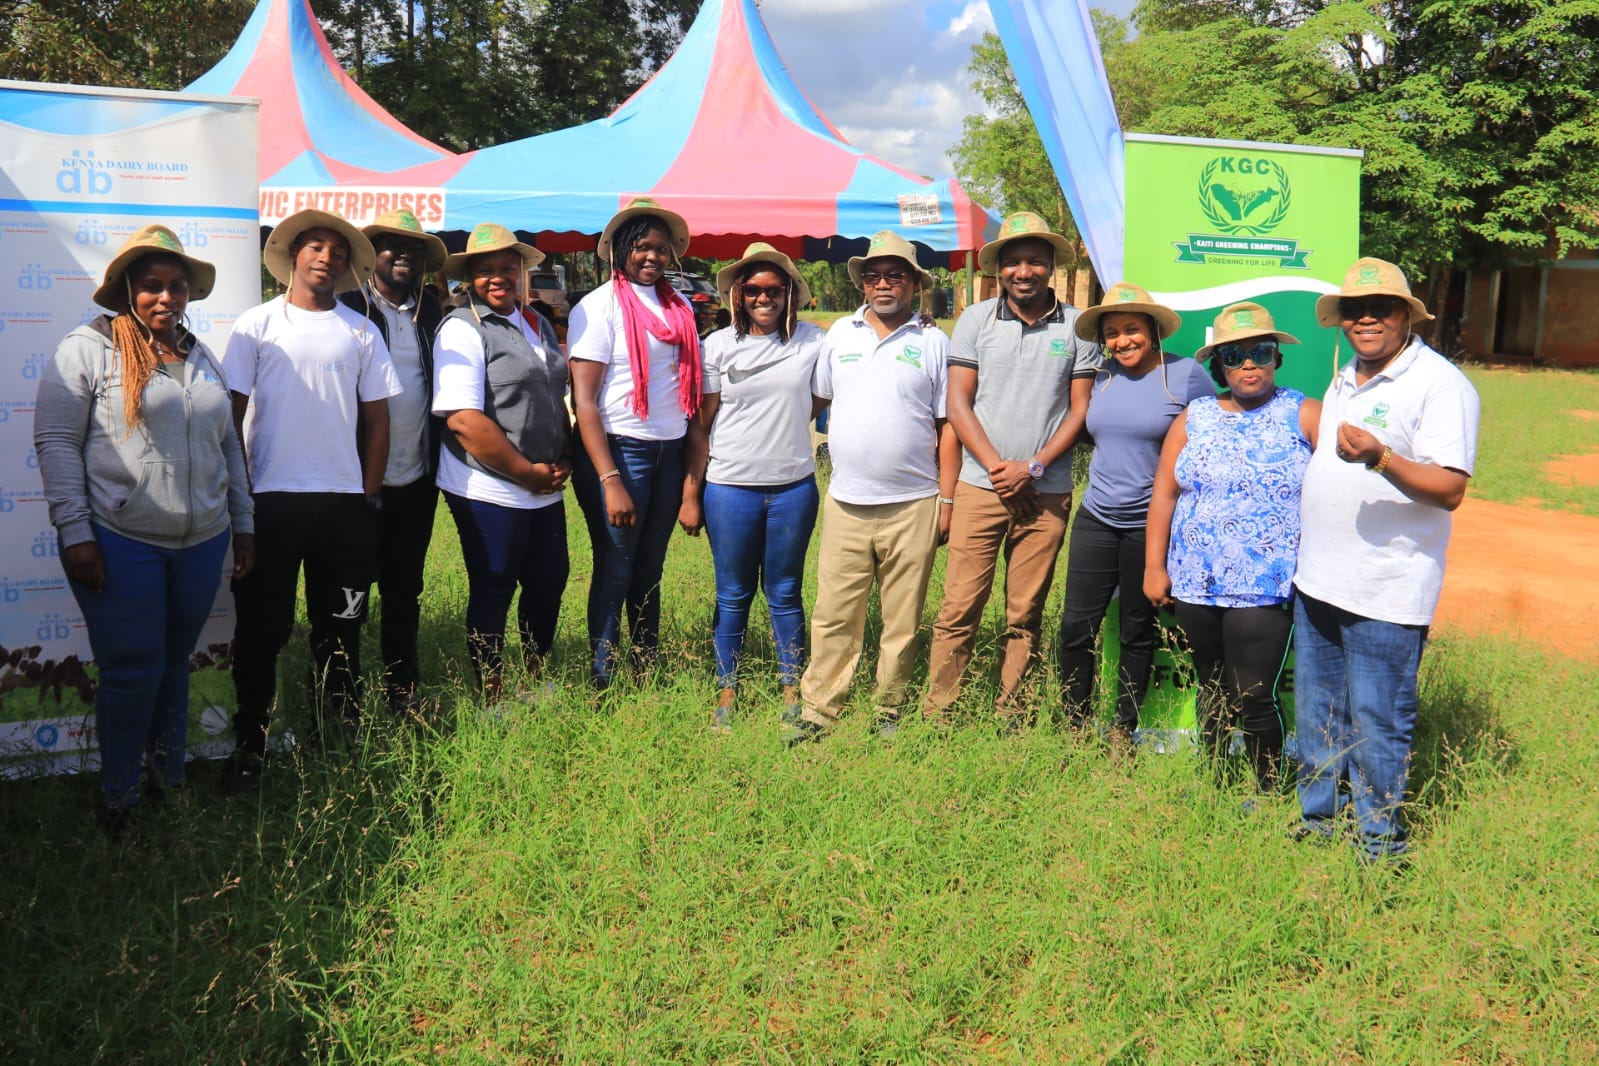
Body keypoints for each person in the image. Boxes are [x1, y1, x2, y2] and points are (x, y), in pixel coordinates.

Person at [34, 225, 253, 836]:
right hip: (119, 539)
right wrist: (75, 532)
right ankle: (121, 799)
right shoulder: (88, 348)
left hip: (202, 538)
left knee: (174, 664)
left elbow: (228, 444)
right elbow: (55, 442)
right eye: (152, 286)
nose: (166, 298)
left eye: (176, 287)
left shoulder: (199, 353)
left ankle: (170, 782)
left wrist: (243, 523)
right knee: (132, 667)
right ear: (127, 289)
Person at [1291, 257, 1480, 861]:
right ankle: (1320, 823)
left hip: (1386, 588)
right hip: (1320, 579)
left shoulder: (1440, 384)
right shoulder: (1346, 374)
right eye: (1354, 310)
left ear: (1406, 316)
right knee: (1318, 712)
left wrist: (1381, 459)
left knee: (1377, 722)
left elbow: (1450, 489)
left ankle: (1380, 845)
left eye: (1382, 309)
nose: (1366, 318)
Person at [220, 209, 400, 791]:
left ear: (348, 265)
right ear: (293, 256)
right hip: (270, 504)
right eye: (315, 247)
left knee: (341, 630)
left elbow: (378, 423)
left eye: (338, 250)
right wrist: (238, 495)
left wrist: (367, 496)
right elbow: (231, 415)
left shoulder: (361, 331)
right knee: (262, 632)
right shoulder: (256, 325)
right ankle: (251, 745)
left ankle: (339, 734)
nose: (327, 256)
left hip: (344, 508)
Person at [923, 211, 1100, 725]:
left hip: (1046, 492)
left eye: (1036, 262)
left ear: (1053, 269)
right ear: (999, 268)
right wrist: (1001, 468)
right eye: (1014, 262)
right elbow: (958, 404)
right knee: (959, 608)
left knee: (1024, 612)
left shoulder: (1077, 327)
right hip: (981, 486)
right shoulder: (976, 320)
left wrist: (1036, 467)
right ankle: (940, 713)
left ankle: (1013, 712)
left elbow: (1080, 410)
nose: (1025, 271)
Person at [1144, 302, 1320, 789]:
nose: (1249, 364)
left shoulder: (1304, 414)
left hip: (1266, 585)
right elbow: (1164, 493)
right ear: (1218, 363)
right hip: (1195, 582)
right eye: (1235, 354)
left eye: (1261, 352)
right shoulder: (1193, 418)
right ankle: (1216, 781)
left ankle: (1267, 790)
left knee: (1255, 692)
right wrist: (1153, 567)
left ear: (1277, 359)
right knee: (1212, 686)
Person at [793, 231, 954, 742]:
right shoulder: (838, 334)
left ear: (915, 284)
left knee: (902, 618)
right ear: (862, 282)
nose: (883, 284)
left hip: (915, 502)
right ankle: (820, 706)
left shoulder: (933, 340)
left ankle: (889, 706)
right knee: (834, 612)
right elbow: (815, 403)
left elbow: (948, 426)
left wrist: (946, 500)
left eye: (895, 275)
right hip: (846, 499)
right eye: (873, 275)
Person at [1055, 283, 1213, 751]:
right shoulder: (1101, 375)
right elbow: (1091, 432)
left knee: (1136, 629)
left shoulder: (1185, 376)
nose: (1122, 341)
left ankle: (1123, 729)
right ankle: (1074, 726)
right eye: (1113, 333)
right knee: (1075, 627)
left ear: (1152, 331)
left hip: (1151, 524)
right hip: (1097, 516)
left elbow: (1206, 444)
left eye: (1131, 330)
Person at [678, 243, 827, 729]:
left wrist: (925, 323)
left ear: (790, 294)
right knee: (732, 594)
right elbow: (701, 424)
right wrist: (690, 493)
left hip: (792, 488)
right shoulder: (718, 345)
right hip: (730, 488)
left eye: (774, 290)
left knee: (785, 591)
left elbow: (820, 397)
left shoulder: (813, 341)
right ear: (737, 296)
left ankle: (791, 687)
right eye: (752, 290)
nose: (764, 298)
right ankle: (727, 690)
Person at [432, 222, 570, 703]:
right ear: (469, 277)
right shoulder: (461, 328)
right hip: (488, 484)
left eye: (507, 268)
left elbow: (556, 395)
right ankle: (492, 694)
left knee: (548, 582)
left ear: (522, 272)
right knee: (494, 586)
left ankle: (534, 680)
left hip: (542, 484)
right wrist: (525, 472)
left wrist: (560, 458)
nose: (498, 278)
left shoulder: (535, 323)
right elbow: (465, 421)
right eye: (485, 270)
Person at [568, 198, 703, 687]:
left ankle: (646, 669)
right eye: (641, 247)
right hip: (620, 451)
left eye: (662, 249)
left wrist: (689, 481)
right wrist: (609, 479)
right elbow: (584, 402)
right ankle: (603, 678)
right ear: (620, 250)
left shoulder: (680, 305)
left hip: (669, 453)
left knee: (650, 568)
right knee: (615, 567)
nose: (652, 257)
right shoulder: (598, 306)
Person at [339, 208, 447, 712]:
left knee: (405, 592)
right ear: (371, 255)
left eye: (415, 247)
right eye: (390, 244)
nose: (404, 254)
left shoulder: (432, 313)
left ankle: (403, 692)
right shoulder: (346, 310)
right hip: (358, 482)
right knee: (350, 595)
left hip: (417, 480)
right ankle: (343, 696)